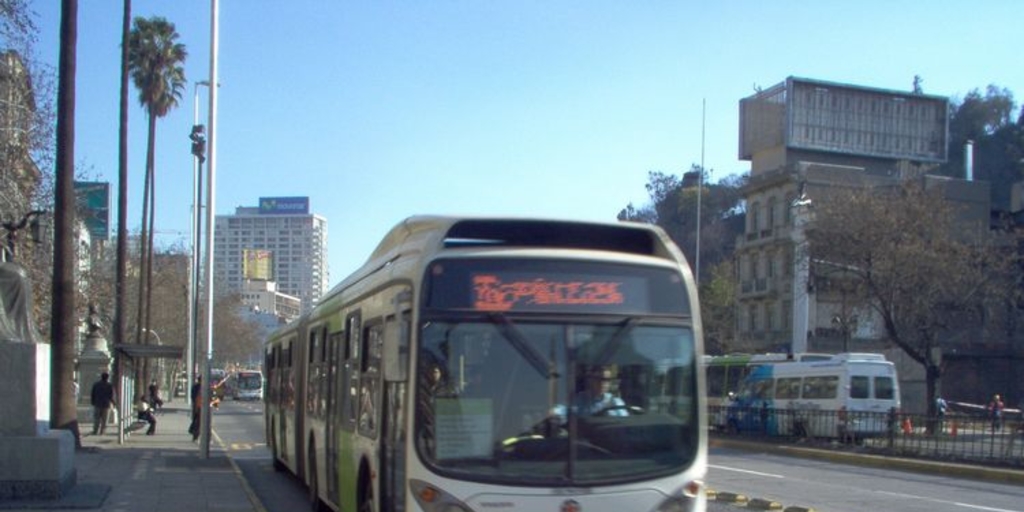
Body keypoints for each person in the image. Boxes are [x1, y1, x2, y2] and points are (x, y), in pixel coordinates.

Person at [188, 376, 202, 441]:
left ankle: (193, 432)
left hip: (196, 406)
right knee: (198, 421)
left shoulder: (195, 387)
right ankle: (194, 433)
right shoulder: (201, 387)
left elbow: (192, 396)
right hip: (200, 406)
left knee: (196, 419)